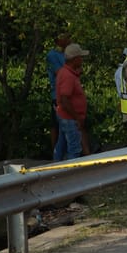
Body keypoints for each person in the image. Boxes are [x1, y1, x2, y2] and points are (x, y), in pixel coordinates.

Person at [56, 43, 90, 159]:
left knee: (62, 145)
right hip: (69, 118)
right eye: (80, 57)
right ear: (75, 59)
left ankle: (55, 170)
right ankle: (71, 174)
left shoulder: (65, 72)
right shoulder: (68, 76)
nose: (82, 60)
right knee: (74, 148)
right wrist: (76, 117)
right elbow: (65, 98)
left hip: (65, 116)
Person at [46, 32, 70, 160]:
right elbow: (59, 72)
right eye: (65, 37)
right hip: (58, 94)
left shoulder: (68, 54)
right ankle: (56, 154)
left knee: (65, 126)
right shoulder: (52, 55)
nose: (68, 39)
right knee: (56, 124)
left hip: (69, 93)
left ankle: (62, 153)